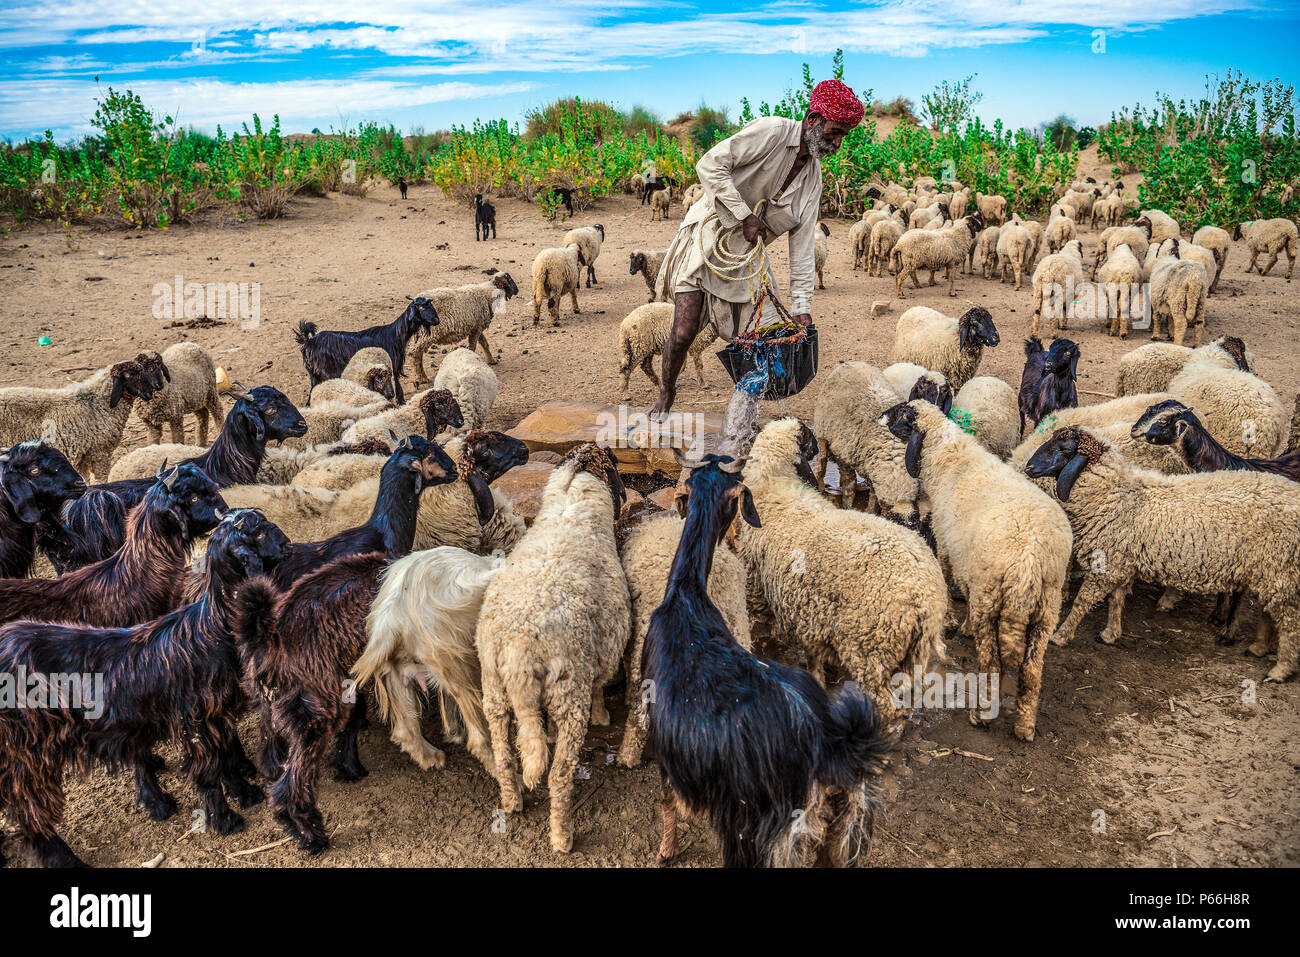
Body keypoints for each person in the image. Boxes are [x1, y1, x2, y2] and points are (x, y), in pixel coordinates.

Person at [650, 79, 863, 418]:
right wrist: (743, 215)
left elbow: (803, 245)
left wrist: (802, 306)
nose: (837, 143)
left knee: (763, 344)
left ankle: (741, 423)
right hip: (707, 240)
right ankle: (667, 390)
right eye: (833, 132)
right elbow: (709, 164)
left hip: (749, 261)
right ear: (812, 119)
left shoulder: (813, 179)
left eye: (842, 137)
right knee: (684, 330)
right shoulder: (772, 132)